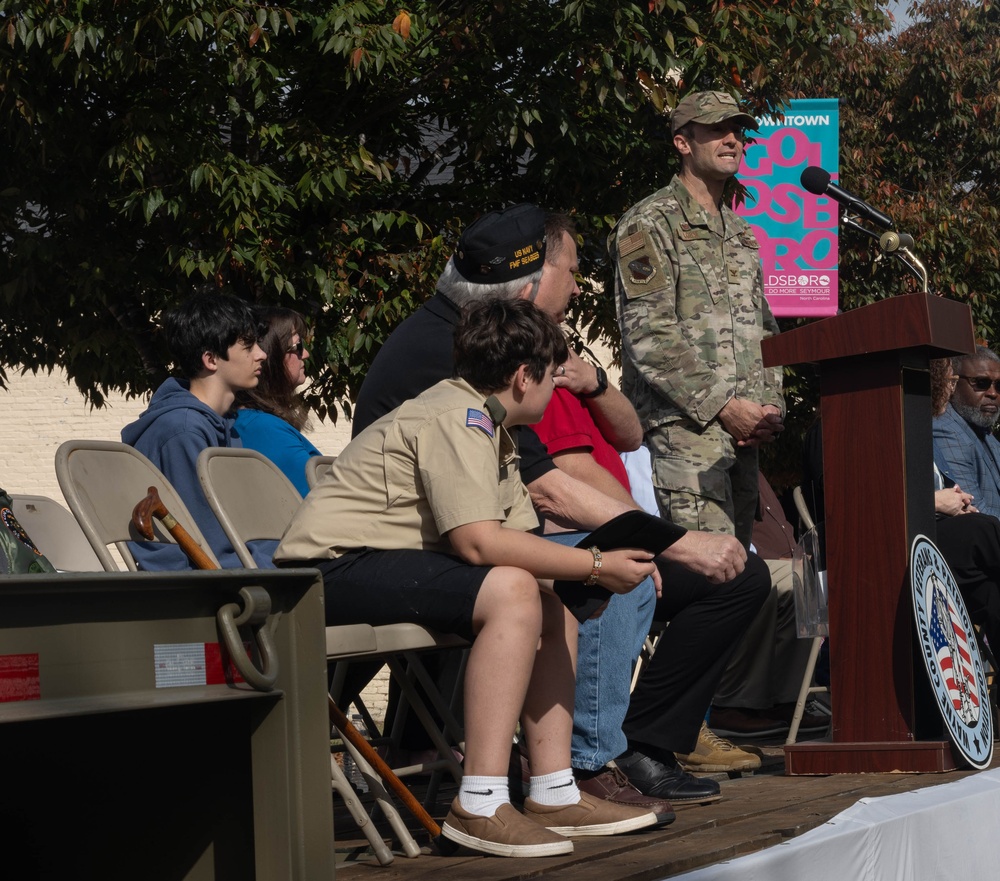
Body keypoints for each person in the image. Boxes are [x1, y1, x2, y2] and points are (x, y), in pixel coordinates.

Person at [354, 203, 768, 809]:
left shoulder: (472, 337)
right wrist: (672, 542)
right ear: (528, 283)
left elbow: (620, 440)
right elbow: (548, 485)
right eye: (570, 272)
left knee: (717, 574)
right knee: (604, 566)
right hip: (407, 556)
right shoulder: (456, 353)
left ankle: (630, 748)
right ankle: (579, 765)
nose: (577, 286)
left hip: (460, 542)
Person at [275, 299, 660, 857]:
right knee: (514, 588)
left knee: (553, 600)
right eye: (554, 378)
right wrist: (597, 565)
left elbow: (520, 542)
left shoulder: (491, 426)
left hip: (380, 562)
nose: (557, 392)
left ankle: (553, 790)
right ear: (525, 378)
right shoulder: (457, 417)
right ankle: (478, 802)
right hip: (326, 572)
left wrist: (580, 581)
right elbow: (478, 543)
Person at [610, 90, 784, 549]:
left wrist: (769, 407)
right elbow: (649, 335)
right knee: (712, 582)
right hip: (686, 435)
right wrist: (725, 408)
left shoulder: (741, 232)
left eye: (738, 131)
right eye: (716, 129)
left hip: (744, 438)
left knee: (740, 581)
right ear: (682, 143)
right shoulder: (648, 223)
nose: (733, 139)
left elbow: (764, 329)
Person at [121, 294, 269, 570]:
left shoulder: (222, 425)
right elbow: (213, 546)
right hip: (202, 589)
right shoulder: (183, 431)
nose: (262, 354)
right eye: (248, 346)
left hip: (232, 574)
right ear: (211, 359)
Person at [707, 472, 829, 739]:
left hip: (778, 560)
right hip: (718, 559)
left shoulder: (750, 462)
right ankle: (732, 704)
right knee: (772, 578)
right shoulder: (706, 454)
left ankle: (784, 700)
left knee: (801, 577)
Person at [233, 306, 320, 496]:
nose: (305, 354)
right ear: (272, 355)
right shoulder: (264, 429)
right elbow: (321, 499)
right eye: (298, 347)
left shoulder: (258, 423)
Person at [933, 346, 1000, 521]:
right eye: (981, 383)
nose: (993, 393)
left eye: (999, 385)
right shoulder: (945, 428)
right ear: (953, 383)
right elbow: (976, 511)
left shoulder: (982, 429)